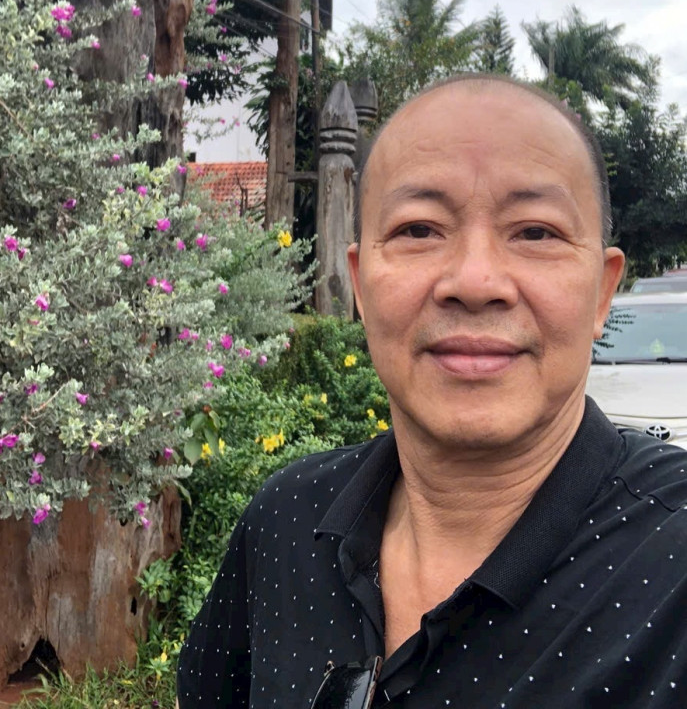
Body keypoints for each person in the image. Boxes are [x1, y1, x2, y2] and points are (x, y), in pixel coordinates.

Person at [177, 74, 687, 708]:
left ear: (603, 292)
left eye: (535, 232)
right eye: (418, 229)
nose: (474, 282)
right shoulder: (284, 522)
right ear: (360, 286)